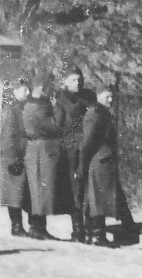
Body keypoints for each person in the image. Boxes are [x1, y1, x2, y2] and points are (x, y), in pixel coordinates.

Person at [79, 85, 134, 246]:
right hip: (99, 161)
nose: (110, 100)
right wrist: (83, 164)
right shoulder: (95, 114)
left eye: (112, 97)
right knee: (97, 199)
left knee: (98, 198)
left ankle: (94, 234)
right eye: (107, 97)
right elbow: (87, 142)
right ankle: (96, 235)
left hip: (104, 160)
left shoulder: (102, 112)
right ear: (98, 96)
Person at [23, 71, 69, 241]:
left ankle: (37, 227)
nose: (53, 90)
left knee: (37, 191)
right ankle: (38, 228)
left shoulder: (28, 104)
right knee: (42, 191)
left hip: (35, 150)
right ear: (42, 88)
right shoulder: (41, 106)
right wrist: (57, 107)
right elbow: (55, 126)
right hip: (43, 150)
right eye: (50, 86)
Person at [54, 66, 95, 243]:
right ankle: (78, 230)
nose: (77, 83)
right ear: (65, 81)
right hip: (71, 149)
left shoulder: (89, 96)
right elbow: (58, 125)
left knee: (90, 186)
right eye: (73, 80)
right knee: (75, 189)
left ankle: (93, 228)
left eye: (79, 79)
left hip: (89, 146)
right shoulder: (62, 99)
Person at [2, 78, 31, 236]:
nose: (28, 93)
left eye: (28, 90)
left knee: (19, 193)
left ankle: (22, 226)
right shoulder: (10, 109)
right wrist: (13, 159)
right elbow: (7, 136)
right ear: (15, 91)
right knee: (14, 193)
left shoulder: (22, 108)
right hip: (12, 159)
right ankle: (17, 227)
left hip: (21, 157)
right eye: (24, 90)